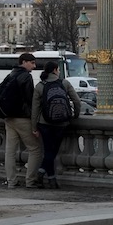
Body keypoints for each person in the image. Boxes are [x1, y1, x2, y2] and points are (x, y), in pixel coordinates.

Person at [30, 60, 80, 189]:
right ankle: (48, 177)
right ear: (55, 70)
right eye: (58, 69)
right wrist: (75, 115)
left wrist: (34, 127)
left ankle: (46, 176)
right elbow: (77, 101)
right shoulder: (64, 83)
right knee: (53, 151)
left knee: (48, 151)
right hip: (62, 123)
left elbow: (35, 109)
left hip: (44, 123)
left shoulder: (40, 86)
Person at [1, 52, 43, 187]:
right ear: (24, 62)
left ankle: (11, 181)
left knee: (10, 151)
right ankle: (30, 180)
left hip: (8, 117)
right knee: (35, 149)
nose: (34, 66)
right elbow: (30, 99)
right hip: (22, 117)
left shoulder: (10, 74)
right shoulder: (26, 77)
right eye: (32, 63)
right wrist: (34, 122)